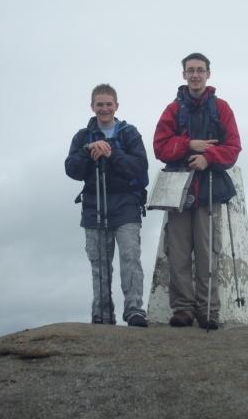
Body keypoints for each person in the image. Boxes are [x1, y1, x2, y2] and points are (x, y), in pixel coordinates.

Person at [153, 53, 241, 330]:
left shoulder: (222, 109)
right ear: (183, 75)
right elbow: (160, 147)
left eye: (199, 70)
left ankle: (208, 310)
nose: (195, 75)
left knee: (207, 252)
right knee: (178, 252)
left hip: (208, 191)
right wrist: (190, 145)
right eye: (190, 70)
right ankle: (183, 309)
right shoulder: (172, 110)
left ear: (208, 74)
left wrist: (208, 157)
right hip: (177, 192)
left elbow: (234, 148)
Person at [65, 84, 148, 327]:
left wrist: (111, 153)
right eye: (99, 104)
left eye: (108, 104)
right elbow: (72, 169)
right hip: (94, 205)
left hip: (126, 204)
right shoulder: (83, 136)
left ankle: (134, 310)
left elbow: (139, 166)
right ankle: (101, 313)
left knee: (130, 257)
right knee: (99, 262)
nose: (104, 108)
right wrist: (87, 149)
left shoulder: (129, 133)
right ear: (92, 107)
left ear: (116, 106)